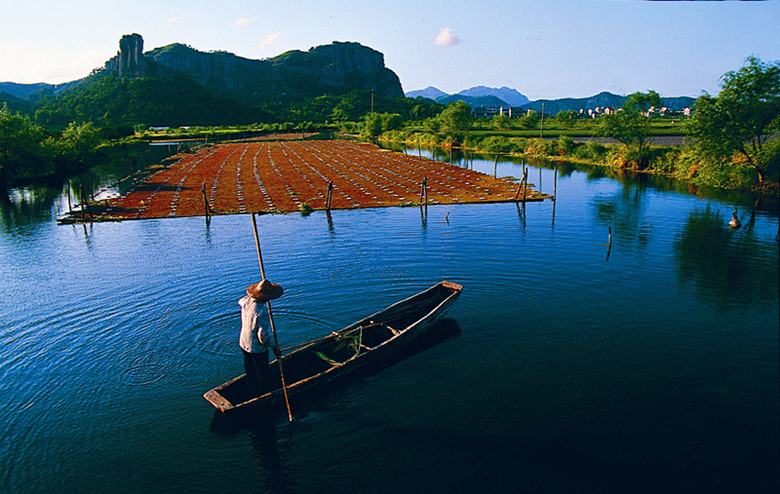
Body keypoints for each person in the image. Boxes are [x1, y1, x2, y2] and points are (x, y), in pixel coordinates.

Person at [238, 279, 283, 395]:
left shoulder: (246, 301)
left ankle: (251, 390)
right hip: (256, 348)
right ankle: (264, 393)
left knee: (250, 369)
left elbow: (240, 301)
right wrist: (274, 347)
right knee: (262, 372)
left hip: (244, 343)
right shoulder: (261, 311)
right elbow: (262, 336)